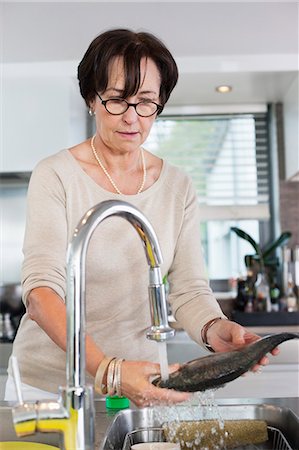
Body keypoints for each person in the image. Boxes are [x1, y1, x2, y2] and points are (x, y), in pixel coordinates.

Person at [5, 29, 278, 406]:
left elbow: (189, 288)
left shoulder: (177, 186)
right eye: (117, 100)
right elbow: (41, 293)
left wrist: (216, 328)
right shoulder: (56, 175)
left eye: (146, 101)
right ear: (91, 98)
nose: (132, 117)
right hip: (51, 387)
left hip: (144, 384)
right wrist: (108, 369)